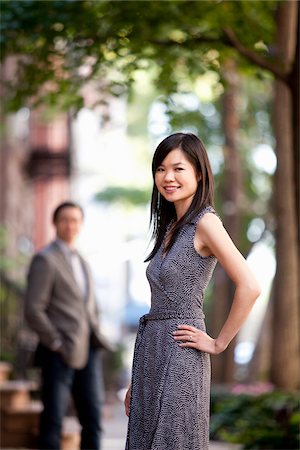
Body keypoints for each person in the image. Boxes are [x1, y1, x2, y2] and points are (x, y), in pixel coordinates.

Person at [124, 132, 261, 450]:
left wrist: (218, 342)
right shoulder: (171, 226)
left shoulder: (206, 223)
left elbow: (250, 286)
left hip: (182, 349)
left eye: (178, 168)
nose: (167, 177)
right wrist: (137, 380)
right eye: (160, 169)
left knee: (174, 439)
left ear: (199, 173)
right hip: (152, 349)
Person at [25, 201, 110, 450]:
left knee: (93, 420)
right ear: (55, 223)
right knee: (53, 420)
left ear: (81, 225)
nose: (70, 225)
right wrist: (55, 341)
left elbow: (88, 306)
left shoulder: (83, 261)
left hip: (89, 349)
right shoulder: (45, 259)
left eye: (75, 220)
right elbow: (33, 309)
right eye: (65, 219)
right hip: (58, 352)